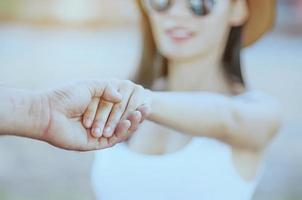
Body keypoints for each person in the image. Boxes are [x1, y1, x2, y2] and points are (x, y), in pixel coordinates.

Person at [91, 0, 282, 200]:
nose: (177, 13)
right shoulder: (123, 99)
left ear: (237, 9)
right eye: (162, 1)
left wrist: (139, 101)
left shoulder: (258, 111)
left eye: (199, 2)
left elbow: (228, 118)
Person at [0, 80, 148, 151]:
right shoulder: (122, 94)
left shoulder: (130, 97)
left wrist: (147, 98)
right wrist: (44, 112)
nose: (171, 17)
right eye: (161, 15)